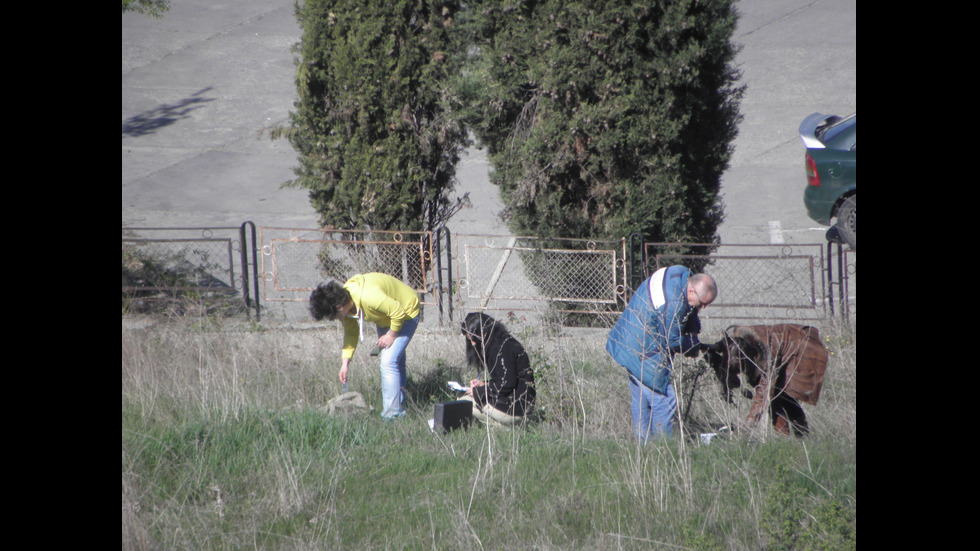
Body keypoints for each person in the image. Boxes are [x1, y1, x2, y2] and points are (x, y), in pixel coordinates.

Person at [605, 266, 717, 441]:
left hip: (627, 339)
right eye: (702, 303)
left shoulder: (680, 274)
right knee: (665, 402)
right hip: (642, 349)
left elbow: (688, 312)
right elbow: (672, 341)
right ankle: (662, 450)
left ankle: (643, 449)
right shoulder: (673, 304)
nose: (703, 307)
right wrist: (693, 344)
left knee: (641, 398)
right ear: (691, 290)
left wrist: (693, 330)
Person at [309, 273, 421, 419]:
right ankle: (400, 408)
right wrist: (345, 363)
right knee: (396, 362)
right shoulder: (348, 306)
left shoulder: (369, 297)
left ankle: (392, 415)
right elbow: (351, 333)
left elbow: (397, 312)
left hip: (406, 311)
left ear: (339, 307)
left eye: (333, 316)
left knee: (388, 363)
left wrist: (391, 336)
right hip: (386, 318)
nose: (334, 319)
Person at [460, 312, 536, 426]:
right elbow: (508, 379)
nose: (473, 343)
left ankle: (500, 426)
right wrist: (483, 384)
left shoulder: (500, 349)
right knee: (469, 399)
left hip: (515, 407)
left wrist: (478, 392)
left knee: (463, 402)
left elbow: (506, 384)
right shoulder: (504, 342)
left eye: (473, 339)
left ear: (483, 334)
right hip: (522, 403)